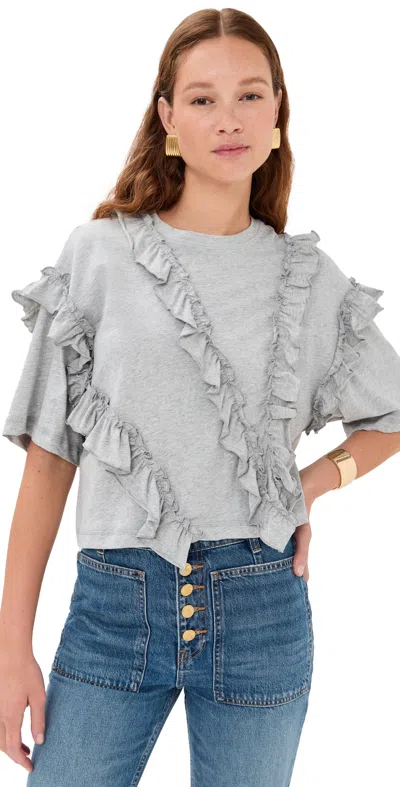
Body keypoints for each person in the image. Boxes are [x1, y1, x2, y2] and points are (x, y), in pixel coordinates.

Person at [1, 8, 400, 786]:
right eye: (202, 98)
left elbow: (390, 414)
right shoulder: (99, 255)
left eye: (250, 95)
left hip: (263, 609)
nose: (229, 119)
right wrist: (12, 646)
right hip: (115, 609)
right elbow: (49, 463)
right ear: (168, 117)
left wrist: (310, 485)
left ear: (278, 111)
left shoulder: (307, 278)